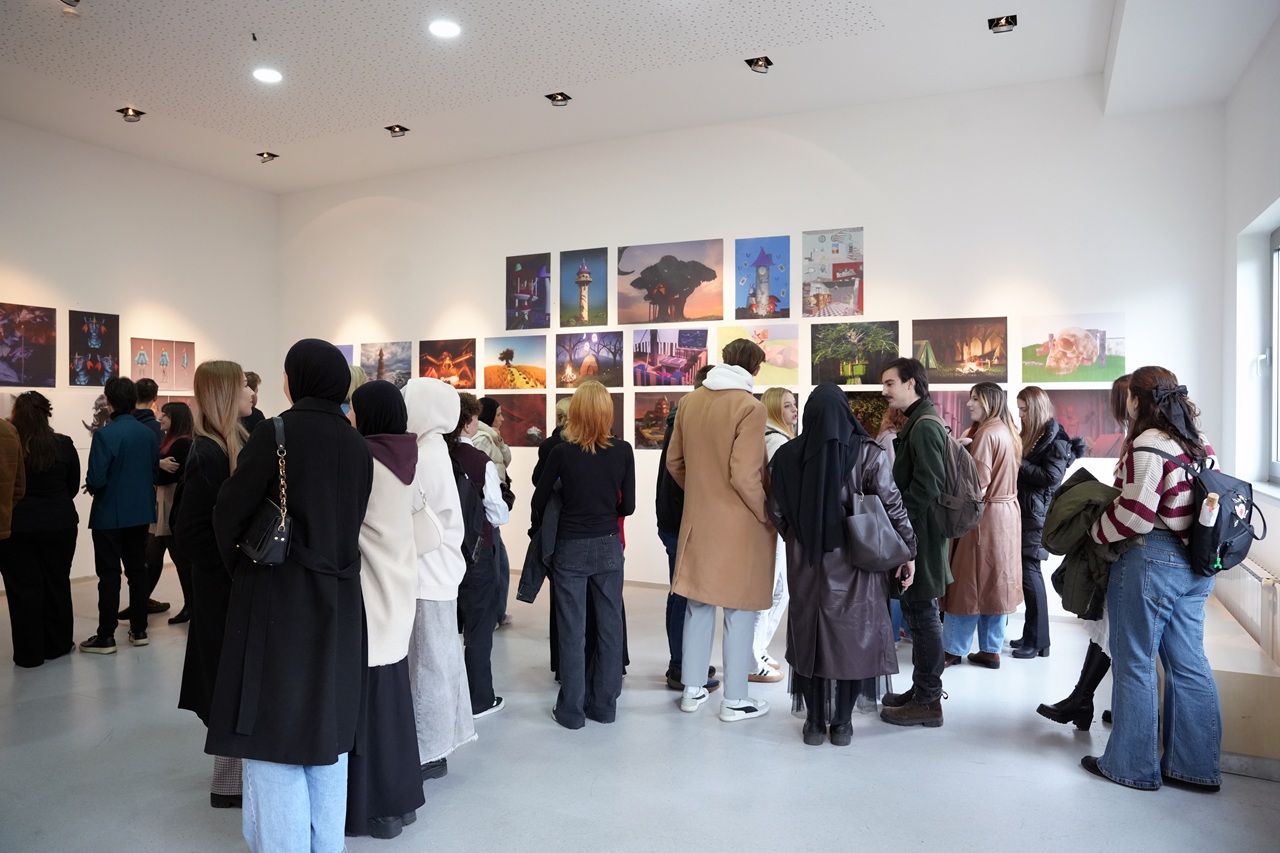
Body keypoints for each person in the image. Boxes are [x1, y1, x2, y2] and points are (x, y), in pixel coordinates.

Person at [208, 339, 374, 851]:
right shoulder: (356, 444)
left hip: (279, 599)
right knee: (329, 732)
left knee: (273, 734)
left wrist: (244, 571)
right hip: (341, 600)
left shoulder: (275, 433)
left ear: (293, 379)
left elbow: (228, 514)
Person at [1081, 367, 1221, 792]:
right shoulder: (1198, 441)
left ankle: (1131, 767)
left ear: (1137, 400)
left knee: (1135, 662)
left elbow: (1137, 515)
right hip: (1198, 563)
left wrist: (1095, 531)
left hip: (1153, 560)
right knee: (1189, 663)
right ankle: (1195, 768)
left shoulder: (1148, 444)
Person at [768, 383, 916, 745]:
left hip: (806, 565)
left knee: (812, 640)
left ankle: (813, 723)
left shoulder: (787, 456)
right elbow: (892, 504)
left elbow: (776, 510)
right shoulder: (867, 453)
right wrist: (909, 550)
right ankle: (843, 724)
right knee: (853, 641)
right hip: (857, 562)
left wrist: (800, 537)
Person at [667, 339, 775, 722]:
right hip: (739, 525)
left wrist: (702, 492)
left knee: (697, 606)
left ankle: (692, 690)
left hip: (698, 521)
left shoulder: (690, 402)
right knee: (739, 611)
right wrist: (766, 514)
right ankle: (735, 700)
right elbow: (744, 476)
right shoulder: (750, 407)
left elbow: (675, 462)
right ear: (755, 368)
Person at [347, 380, 426, 839]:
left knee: (369, 710)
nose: (350, 417)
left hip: (369, 595)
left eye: (355, 410)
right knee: (393, 704)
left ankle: (374, 810)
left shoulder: (365, 461)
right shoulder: (407, 458)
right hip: (399, 593)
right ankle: (400, 801)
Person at [532, 380, 635, 728]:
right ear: (607, 413)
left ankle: (571, 711)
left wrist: (567, 496)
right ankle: (604, 707)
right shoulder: (623, 451)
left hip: (571, 546)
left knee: (572, 628)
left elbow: (539, 499)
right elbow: (629, 506)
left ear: (574, 413)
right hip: (608, 544)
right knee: (610, 626)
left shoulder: (562, 452)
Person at [175, 361, 253, 808]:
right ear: (226, 393)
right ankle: (228, 784)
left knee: (233, 680)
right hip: (221, 590)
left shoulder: (230, 443)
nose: (251, 392)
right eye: (243, 386)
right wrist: (235, 568)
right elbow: (190, 534)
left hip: (228, 586)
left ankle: (235, 779)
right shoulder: (206, 453)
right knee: (228, 681)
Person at [1037, 373, 1130, 730]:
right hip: (1127, 548)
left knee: (1108, 628)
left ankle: (1085, 700)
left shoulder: (1143, 443)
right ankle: (1089, 701)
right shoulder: (1138, 439)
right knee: (1106, 627)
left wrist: (1096, 532)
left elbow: (1135, 507)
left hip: (1131, 549)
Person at [402, 377, 476, 782]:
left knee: (427, 665)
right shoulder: (433, 449)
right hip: (439, 573)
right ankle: (436, 746)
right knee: (439, 662)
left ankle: (426, 751)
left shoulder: (423, 454)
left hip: (427, 574)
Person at [878, 358, 949, 727]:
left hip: (920, 535)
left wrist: (899, 523)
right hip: (918, 532)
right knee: (918, 613)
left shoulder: (923, 426)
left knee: (922, 615)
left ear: (911, 383)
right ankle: (923, 690)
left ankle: (928, 700)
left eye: (890, 383)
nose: (884, 391)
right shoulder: (920, 421)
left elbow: (928, 485)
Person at [940, 382, 1023, 669]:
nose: (969, 404)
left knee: (967, 582)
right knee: (996, 583)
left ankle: (952, 648)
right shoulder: (1008, 431)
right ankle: (990, 649)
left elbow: (977, 484)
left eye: (975, 399)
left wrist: (955, 453)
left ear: (989, 401)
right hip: (1006, 515)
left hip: (983, 517)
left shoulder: (987, 433)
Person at [80, 376, 160, 654]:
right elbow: (153, 472)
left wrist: (91, 485)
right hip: (140, 512)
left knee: (109, 575)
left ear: (109, 401)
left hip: (109, 515)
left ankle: (106, 636)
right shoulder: (148, 434)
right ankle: (139, 630)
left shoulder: (105, 435)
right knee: (137, 571)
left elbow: (96, 479)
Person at [655, 365, 718, 693]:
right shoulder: (689, 420)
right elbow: (682, 470)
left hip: (674, 517)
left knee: (683, 591)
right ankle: (681, 665)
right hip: (683, 520)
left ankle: (686, 660)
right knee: (684, 593)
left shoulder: (679, 416)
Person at [0, 392, 75, 667]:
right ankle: (58, 645)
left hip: (17, 526)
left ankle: (29, 653)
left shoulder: (10, 444)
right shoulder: (63, 444)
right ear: (47, 414)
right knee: (57, 583)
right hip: (59, 523)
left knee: (22, 590)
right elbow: (71, 485)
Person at [449, 392, 509, 718]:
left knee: (446, 628)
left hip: (442, 554)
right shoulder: (479, 461)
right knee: (478, 629)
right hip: (476, 552)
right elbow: (497, 514)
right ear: (469, 422)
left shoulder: (432, 454)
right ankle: (479, 699)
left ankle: (448, 694)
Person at [1012, 386, 1081, 658]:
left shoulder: (1056, 439)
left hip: (1037, 515)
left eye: (1024, 409)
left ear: (1036, 408)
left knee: (1031, 574)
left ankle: (1039, 641)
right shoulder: (1038, 434)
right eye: (1019, 409)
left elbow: (1051, 477)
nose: (1020, 414)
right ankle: (1032, 635)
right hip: (1029, 512)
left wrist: (1018, 462)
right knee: (1028, 575)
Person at [751, 386, 796, 684]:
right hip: (773, 526)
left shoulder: (769, 436)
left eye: (794, 405)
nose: (795, 411)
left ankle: (758, 650)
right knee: (772, 591)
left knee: (778, 590)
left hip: (771, 524)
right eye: (788, 405)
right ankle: (753, 658)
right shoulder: (777, 441)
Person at [137, 401, 195, 624]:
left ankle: (190, 605)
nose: (160, 418)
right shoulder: (169, 440)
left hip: (170, 504)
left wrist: (156, 467)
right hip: (162, 502)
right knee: (152, 556)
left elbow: (166, 476)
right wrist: (158, 464)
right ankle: (140, 603)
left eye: (165, 415)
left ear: (176, 419)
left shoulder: (182, 443)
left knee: (178, 557)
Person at [473, 396, 513, 628]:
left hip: (490, 509)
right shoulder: (483, 439)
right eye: (498, 414)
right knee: (496, 563)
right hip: (487, 509)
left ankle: (497, 613)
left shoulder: (491, 437)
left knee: (501, 562)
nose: (502, 419)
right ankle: (493, 615)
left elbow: (504, 460)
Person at [876, 406, 911, 643]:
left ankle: (899, 631)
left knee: (899, 571)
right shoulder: (891, 439)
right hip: (894, 513)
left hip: (891, 513)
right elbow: (890, 482)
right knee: (897, 572)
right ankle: (895, 633)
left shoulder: (886, 437)